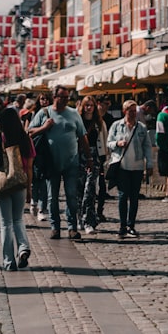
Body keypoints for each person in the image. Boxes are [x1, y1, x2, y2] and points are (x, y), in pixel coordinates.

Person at [28, 85, 90, 240]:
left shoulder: (74, 114)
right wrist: (44, 127)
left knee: (71, 195)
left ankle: (72, 227)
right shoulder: (44, 113)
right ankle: (55, 227)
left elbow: (82, 136)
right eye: (62, 97)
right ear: (54, 97)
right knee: (52, 197)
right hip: (51, 163)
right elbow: (29, 132)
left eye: (67, 97)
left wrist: (89, 158)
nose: (65, 100)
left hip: (71, 162)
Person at [0, 107, 35, 271]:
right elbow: (29, 167)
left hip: (2, 182)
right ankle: (23, 248)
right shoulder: (25, 138)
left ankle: (8, 262)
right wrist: (29, 189)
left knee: (6, 223)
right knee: (18, 219)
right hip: (20, 182)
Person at [106, 100, 154, 239]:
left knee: (134, 197)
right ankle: (122, 226)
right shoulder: (116, 126)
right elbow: (109, 143)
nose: (133, 113)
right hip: (121, 166)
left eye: (134, 111)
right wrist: (117, 143)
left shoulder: (141, 128)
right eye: (130, 111)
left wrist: (149, 164)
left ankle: (131, 225)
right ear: (124, 111)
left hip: (137, 166)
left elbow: (147, 146)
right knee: (122, 196)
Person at [78, 95, 107, 234]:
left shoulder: (99, 122)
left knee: (90, 190)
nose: (89, 108)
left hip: (94, 158)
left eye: (91, 105)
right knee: (79, 189)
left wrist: (102, 160)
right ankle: (79, 219)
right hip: (79, 157)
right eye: (86, 105)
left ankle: (89, 220)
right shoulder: (78, 121)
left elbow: (103, 141)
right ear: (82, 107)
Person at [29, 93, 52, 221]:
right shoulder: (38, 113)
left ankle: (42, 208)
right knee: (37, 179)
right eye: (42, 98)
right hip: (38, 150)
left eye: (47, 98)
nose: (45, 101)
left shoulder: (54, 112)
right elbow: (29, 131)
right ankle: (34, 201)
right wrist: (44, 127)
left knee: (44, 179)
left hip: (51, 151)